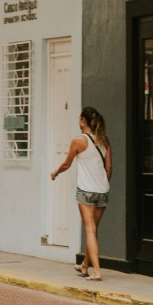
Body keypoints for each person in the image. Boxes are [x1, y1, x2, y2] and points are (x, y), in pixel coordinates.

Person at [51, 107, 111, 280]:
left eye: (79, 119)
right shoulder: (104, 140)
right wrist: (103, 183)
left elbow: (67, 164)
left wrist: (55, 173)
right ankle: (85, 265)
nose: (78, 122)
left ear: (83, 121)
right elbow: (109, 167)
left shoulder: (78, 140)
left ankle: (97, 271)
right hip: (102, 191)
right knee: (93, 229)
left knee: (90, 230)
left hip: (86, 191)